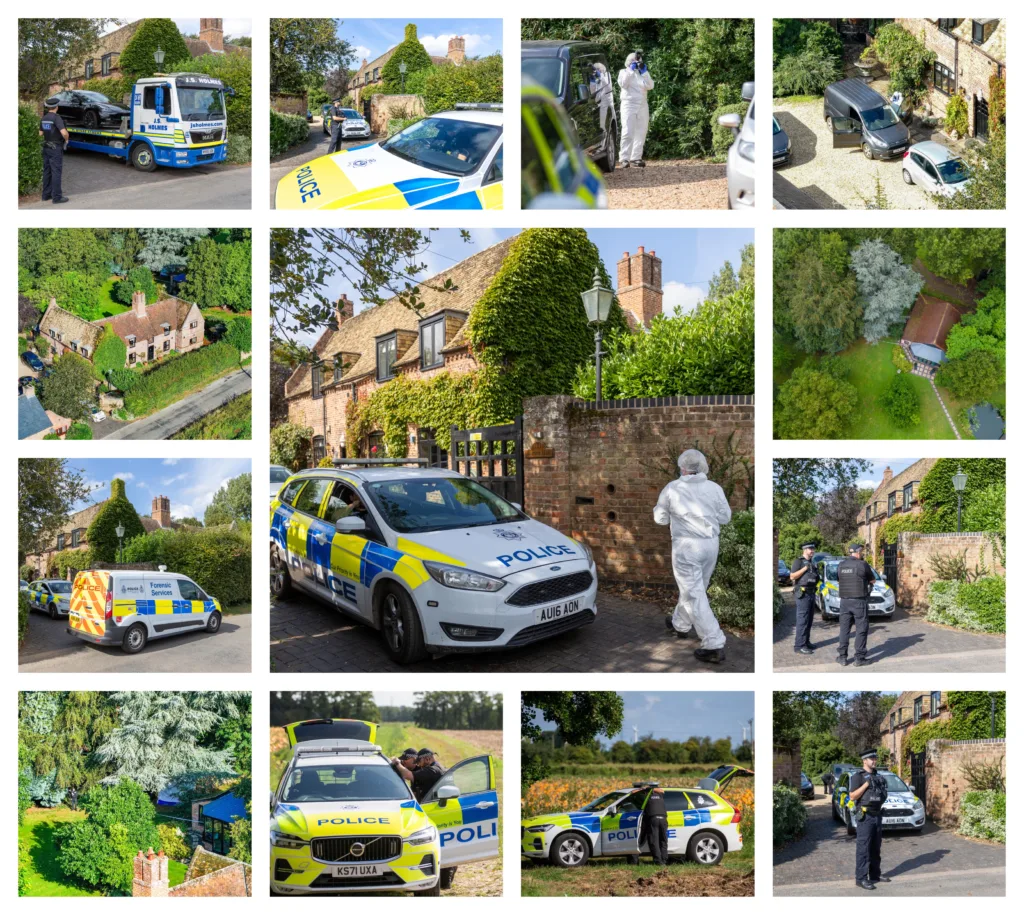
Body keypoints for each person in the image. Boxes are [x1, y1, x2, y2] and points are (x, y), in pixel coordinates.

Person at [654, 449, 733, 664]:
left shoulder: (672, 489)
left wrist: (675, 514)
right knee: (696, 589)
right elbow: (725, 517)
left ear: (682, 468)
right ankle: (680, 623)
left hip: (686, 546)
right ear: (704, 466)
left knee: (694, 592)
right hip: (710, 544)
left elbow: (660, 519)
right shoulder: (714, 488)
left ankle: (713, 643)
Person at [848, 749, 889, 890]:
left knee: (876, 847)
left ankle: (875, 875)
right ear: (864, 760)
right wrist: (866, 784)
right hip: (865, 817)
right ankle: (861, 878)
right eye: (871, 758)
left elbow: (882, 794)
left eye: (875, 758)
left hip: (877, 815)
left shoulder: (878, 776)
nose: (874, 760)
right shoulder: (857, 777)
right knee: (863, 847)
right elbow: (852, 796)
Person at [837, 543, 875, 666]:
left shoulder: (841, 565)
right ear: (858, 552)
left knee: (844, 629)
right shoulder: (862, 564)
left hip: (844, 602)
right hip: (859, 601)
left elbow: (839, 579)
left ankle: (842, 657)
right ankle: (859, 658)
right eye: (861, 552)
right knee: (861, 629)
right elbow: (872, 580)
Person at [617, 51, 653, 167]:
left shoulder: (641, 73)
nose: (637, 63)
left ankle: (636, 158)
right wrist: (630, 70)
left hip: (642, 104)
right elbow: (623, 83)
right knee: (628, 131)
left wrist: (645, 72)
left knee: (641, 131)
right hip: (629, 104)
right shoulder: (623, 72)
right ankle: (624, 158)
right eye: (634, 61)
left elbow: (650, 86)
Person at [789, 542, 819, 654]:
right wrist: (805, 568)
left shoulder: (813, 562)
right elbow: (792, 576)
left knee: (809, 620)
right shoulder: (799, 561)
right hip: (802, 595)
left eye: (813, 549)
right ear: (805, 549)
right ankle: (799, 646)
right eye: (810, 549)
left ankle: (806, 642)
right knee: (803, 620)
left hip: (811, 594)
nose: (812, 551)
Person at [40, 97, 70, 204]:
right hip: (55, 148)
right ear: (57, 107)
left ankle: (46, 195)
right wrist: (66, 140)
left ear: (48, 107)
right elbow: (64, 133)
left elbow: (40, 133)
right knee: (56, 171)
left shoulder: (44, 118)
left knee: (47, 171)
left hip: (46, 147)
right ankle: (57, 197)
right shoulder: (57, 118)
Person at [642, 787, 668, 866]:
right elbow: (662, 790)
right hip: (663, 819)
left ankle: (658, 861)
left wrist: (645, 789)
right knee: (663, 840)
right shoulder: (660, 795)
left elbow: (634, 792)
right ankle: (664, 860)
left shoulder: (646, 796)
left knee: (654, 841)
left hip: (653, 819)